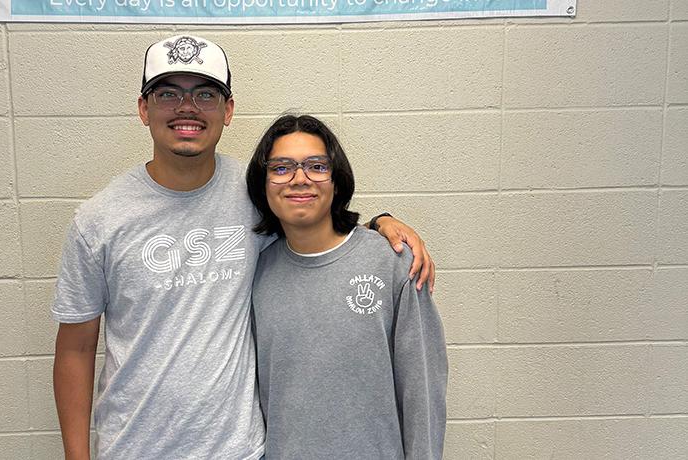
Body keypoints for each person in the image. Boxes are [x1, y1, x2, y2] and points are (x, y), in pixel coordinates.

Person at [51, 34, 435, 460]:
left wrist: (381, 224)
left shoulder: (253, 192)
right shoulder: (98, 220)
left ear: (228, 110)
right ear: (144, 108)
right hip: (134, 446)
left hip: (239, 450)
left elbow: (315, 218)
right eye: (167, 93)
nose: (187, 107)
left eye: (205, 94)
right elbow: (76, 348)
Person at [247, 114, 447, 459]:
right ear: (262, 185)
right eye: (281, 168)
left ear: (336, 180)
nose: (299, 179)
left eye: (316, 166)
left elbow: (423, 394)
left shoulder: (393, 262)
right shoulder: (256, 270)